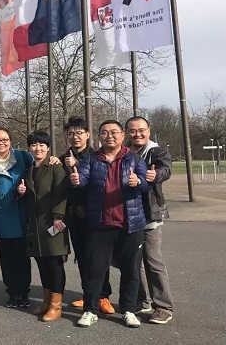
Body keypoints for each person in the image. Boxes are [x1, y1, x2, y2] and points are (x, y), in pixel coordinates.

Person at [71, 120, 150, 329]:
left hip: (130, 224)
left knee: (131, 270)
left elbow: (146, 183)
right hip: (100, 224)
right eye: (105, 133)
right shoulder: (91, 159)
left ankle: (128, 310)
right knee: (94, 269)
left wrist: (139, 182)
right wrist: (77, 180)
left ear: (122, 135)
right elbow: (83, 179)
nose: (110, 136)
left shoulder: (134, 159)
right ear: (99, 137)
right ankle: (90, 310)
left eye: (114, 132)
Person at [59, 117, 115, 315]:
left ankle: (103, 296)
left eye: (79, 133)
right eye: (71, 133)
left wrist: (79, 163)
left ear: (88, 135)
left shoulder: (97, 156)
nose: (75, 137)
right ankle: (88, 293)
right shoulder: (62, 158)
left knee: (99, 258)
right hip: (74, 216)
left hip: (95, 215)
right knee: (82, 257)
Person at [125, 116, 174, 325]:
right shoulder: (124, 151)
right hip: (128, 213)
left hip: (149, 213)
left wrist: (156, 175)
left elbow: (165, 169)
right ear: (127, 133)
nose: (137, 134)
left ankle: (163, 307)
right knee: (131, 260)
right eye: (133, 131)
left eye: (141, 130)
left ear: (149, 131)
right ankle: (141, 300)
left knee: (152, 259)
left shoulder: (156, 151)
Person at [0, 127, 33, 309]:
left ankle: (23, 293)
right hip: (1, 215)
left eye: (4, 140)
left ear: (10, 141)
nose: (0, 143)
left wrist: (54, 159)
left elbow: (40, 166)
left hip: (21, 213)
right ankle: (12, 292)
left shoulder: (24, 157)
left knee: (22, 257)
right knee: (6, 258)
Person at [21, 130, 70, 322]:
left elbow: (61, 193)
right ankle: (47, 300)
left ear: (48, 147)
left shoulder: (55, 166)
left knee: (54, 264)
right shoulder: (29, 169)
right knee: (42, 264)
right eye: (34, 145)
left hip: (54, 223)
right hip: (36, 226)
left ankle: (56, 305)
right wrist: (20, 191)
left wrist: (58, 217)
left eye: (42, 145)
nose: (38, 148)